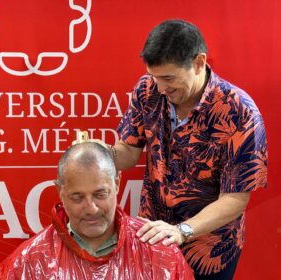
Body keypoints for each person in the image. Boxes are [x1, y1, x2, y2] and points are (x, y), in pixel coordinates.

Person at [110, 19, 268, 279]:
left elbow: (235, 199)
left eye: (169, 78)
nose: (161, 88)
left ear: (199, 62)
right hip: (152, 236)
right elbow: (129, 152)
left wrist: (182, 231)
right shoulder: (146, 89)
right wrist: (102, 155)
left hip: (209, 249)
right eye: (155, 77)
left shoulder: (239, 112)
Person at [0, 142, 194, 279]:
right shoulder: (32, 259)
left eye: (100, 194)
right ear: (60, 191)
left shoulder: (157, 251)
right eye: (77, 197)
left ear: (117, 183)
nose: (91, 208)